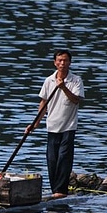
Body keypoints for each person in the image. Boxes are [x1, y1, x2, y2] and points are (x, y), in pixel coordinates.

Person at [24, 49, 84, 198]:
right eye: (60, 60)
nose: (62, 63)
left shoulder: (76, 80)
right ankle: (55, 190)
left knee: (64, 158)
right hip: (52, 126)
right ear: (55, 63)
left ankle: (61, 191)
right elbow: (43, 102)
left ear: (70, 63)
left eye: (65, 60)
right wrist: (35, 123)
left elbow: (76, 100)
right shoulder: (49, 80)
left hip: (68, 126)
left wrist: (63, 87)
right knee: (52, 159)